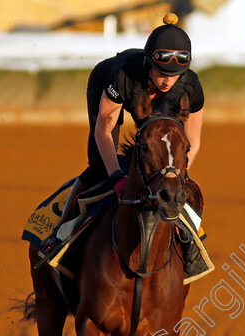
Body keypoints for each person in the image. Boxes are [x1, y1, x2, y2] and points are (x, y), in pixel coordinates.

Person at [41, 14, 204, 254]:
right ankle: (62, 232)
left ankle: (191, 242)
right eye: (161, 71)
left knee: (176, 177)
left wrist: (177, 174)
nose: (168, 80)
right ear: (149, 64)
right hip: (106, 82)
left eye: (175, 73)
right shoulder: (123, 77)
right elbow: (103, 131)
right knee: (100, 166)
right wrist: (117, 177)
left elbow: (192, 141)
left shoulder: (189, 85)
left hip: (155, 109)